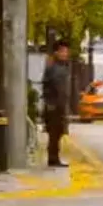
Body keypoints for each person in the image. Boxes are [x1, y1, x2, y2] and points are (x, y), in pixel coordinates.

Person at [42, 38, 70, 167]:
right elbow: (52, 88)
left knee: (57, 133)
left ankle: (54, 158)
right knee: (55, 133)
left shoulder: (60, 67)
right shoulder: (55, 68)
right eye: (62, 51)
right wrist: (54, 104)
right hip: (55, 106)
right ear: (56, 53)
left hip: (58, 105)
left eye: (66, 51)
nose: (65, 54)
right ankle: (53, 158)